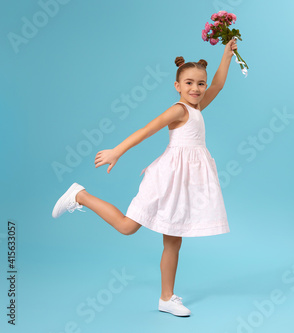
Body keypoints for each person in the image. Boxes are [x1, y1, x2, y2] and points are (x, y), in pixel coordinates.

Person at [51, 38, 239, 317]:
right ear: (177, 86)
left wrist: (227, 54)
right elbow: (147, 130)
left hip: (184, 183)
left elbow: (219, 85)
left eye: (200, 83)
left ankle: (166, 298)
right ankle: (80, 195)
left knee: (174, 240)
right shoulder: (179, 110)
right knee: (128, 227)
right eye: (189, 83)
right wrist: (117, 151)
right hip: (168, 178)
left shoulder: (197, 107)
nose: (196, 89)